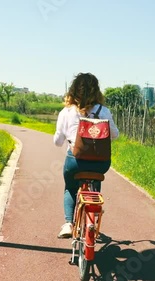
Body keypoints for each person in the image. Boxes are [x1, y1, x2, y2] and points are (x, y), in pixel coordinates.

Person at [53, 72, 119, 238]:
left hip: (75, 162)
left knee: (70, 188)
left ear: (73, 91)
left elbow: (58, 142)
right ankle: (94, 213)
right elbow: (115, 135)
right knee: (95, 179)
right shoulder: (104, 111)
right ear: (96, 91)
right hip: (101, 163)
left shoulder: (66, 112)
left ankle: (68, 223)